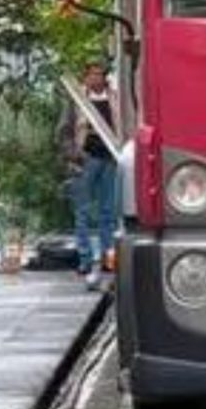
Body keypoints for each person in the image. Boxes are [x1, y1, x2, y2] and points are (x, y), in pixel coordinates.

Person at [62, 61, 119, 289]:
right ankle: (85, 260)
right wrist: (73, 154)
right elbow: (64, 130)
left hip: (110, 159)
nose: (96, 78)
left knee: (109, 213)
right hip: (85, 159)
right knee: (83, 212)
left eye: (99, 74)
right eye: (91, 74)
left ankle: (108, 258)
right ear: (85, 78)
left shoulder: (115, 98)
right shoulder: (77, 100)